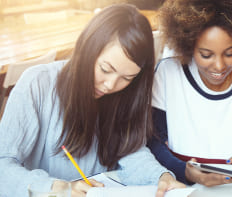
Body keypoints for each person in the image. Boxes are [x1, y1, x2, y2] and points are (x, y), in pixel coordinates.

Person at [0, 4, 185, 197]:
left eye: (127, 78)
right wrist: (57, 188)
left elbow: (131, 152)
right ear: (88, 49)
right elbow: (2, 165)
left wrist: (161, 177)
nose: (110, 85)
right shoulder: (38, 83)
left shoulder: (125, 96)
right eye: (105, 69)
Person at [148, 0, 232, 187]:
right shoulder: (168, 74)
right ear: (188, 46)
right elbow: (152, 142)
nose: (220, 66)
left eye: (229, 53)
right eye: (206, 55)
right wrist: (186, 171)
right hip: (180, 186)